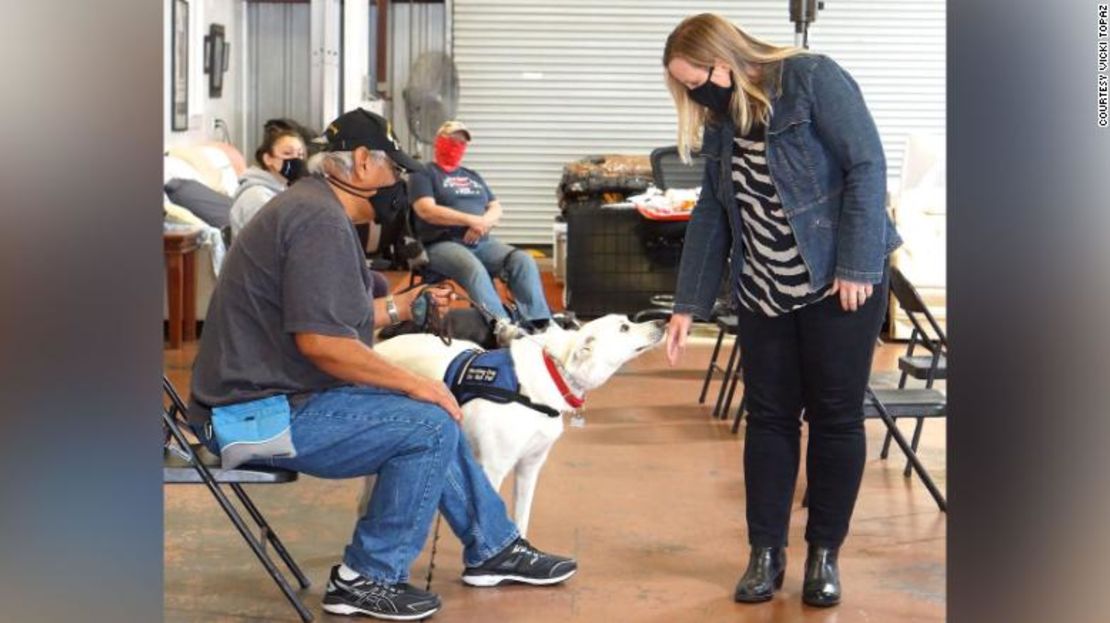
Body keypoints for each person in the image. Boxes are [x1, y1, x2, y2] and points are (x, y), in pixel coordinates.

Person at [188, 108, 576, 621]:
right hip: (250, 418)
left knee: (437, 409)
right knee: (426, 421)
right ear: (362, 163)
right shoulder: (317, 221)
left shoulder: (315, 208)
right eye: (393, 170)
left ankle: (492, 546)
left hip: (270, 399)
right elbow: (322, 344)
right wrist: (416, 384)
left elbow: (335, 316)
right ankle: (365, 577)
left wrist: (405, 305)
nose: (398, 183)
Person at [661, 14, 902, 608]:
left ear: (723, 64)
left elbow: (867, 167)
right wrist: (687, 304)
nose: (695, 96)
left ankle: (824, 554)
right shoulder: (723, 121)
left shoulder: (812, 79)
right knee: (768, 419)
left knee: (835, 417)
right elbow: (713, 212)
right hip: (763, 288)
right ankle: (765, 554)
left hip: (838, 284)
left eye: (695, 82)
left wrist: (855, 264)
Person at [408, 120, 553, 334]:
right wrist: (471, 220)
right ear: (439, 142)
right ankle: (502, 327)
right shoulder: (423, 173)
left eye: (462, 142)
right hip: (441, 243)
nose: (457, 145)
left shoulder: (471, 176)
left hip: (481, 242)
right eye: (452, 140)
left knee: (522, 260)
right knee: (473, 268)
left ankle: (539, 323)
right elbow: (426, 210)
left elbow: (496, 207)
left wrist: (483, 222)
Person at [229, 125, 307, 239]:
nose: (296, 159)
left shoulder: (284, 189)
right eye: (287, 153)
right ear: (268, 159)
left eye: (300, 154)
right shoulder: (256, 198)